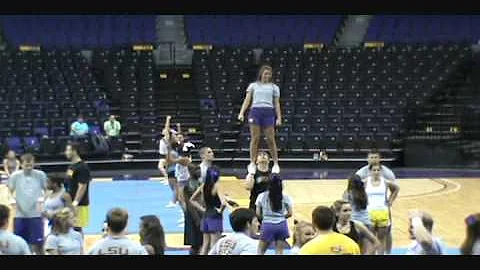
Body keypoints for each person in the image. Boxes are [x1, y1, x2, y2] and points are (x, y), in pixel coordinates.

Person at [238, 64, 282, 175]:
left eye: (269, 74)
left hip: (268, 112)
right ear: (261, 74)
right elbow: (247, 100)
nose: (267, 76)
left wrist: (279, 117)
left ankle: (276, 163)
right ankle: (252, 163)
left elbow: (276, 103)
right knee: (255, 138)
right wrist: (241, 113)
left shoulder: (274, 87)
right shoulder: (253, 86)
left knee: (270, 139)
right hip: (255, 111)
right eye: (265, 73)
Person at [355, 149, 396, 254]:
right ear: (367, 159)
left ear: (380, 159)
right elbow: (355, 187)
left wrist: (390, 200)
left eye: (376, 157)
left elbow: (394, 188)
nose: (373, 160)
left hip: (383, 207)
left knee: (387, 232)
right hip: (369, 209)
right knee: (368, 235)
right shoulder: (361, 173)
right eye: (371, 157)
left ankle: (388, 252)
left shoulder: (387, 173)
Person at [8, 153, 48, 255]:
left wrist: (43, 199)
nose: (29, 168)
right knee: (20, 244)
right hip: (20, 215)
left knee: (38, 245)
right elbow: (9, 191)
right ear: (21, 164)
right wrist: (12, 199)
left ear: (34, 163)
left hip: (36, 215)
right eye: (26, 165)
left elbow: (47, 190)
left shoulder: (40, 175)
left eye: (31, 165)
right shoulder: (15, 176)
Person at [190, 166, 226, 255]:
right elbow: (223, 203)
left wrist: (202, 209)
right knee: (215, 245)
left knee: (205, 245)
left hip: (205, 215)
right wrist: (220, 211)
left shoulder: (203, 186)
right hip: (214, 217)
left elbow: (192, 200)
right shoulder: (217, 186)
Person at [365, 163, 400, 255]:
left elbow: (396, 188)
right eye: (374, 170)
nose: (376, 172)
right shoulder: (365, 182)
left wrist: (390, 200)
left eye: (378, 170)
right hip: (370, 212)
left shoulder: (385, 182)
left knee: (382, 238)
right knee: (371, 238)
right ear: (370, 171)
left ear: (381, 171)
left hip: (383, 212)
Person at [255, 174, 293, 255]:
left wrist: (265, 218)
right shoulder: (286, 197)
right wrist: (282, 217)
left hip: (267, 224)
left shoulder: (261, 196)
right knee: (279, 251)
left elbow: (258, 213)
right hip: (282, 225)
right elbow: (290, 213)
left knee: (260, 251)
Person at [64, 141, 92, 235]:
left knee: (77, 228)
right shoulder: (71, 166)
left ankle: (80, 248)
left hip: (79, 203)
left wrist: (75, 203)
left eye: (68, 150)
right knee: (70, 227)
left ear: (74, 151)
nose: (66, 152)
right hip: (70, 201)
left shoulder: (82, 167)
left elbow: (82, 186)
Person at [183, 164, 204, 255]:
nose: (199, 172)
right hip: (193, 216)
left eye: (199, 169)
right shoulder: (189, 185)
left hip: (200, 214)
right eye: (196, 170)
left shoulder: (198, 182)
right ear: (191, 172)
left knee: (201, 242)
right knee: (195, 243)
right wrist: (197, 220)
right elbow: (189, 205)